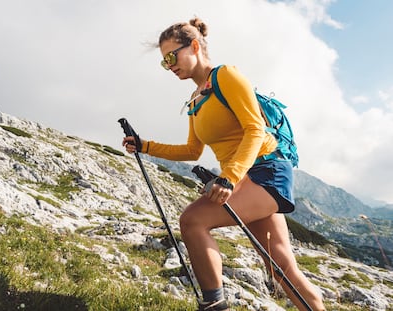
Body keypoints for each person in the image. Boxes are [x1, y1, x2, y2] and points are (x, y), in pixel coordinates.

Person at [123, 18, 326, 311]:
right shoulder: (195, 100)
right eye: (163, 62)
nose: (169, 65)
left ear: (194, 46)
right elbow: (193, 151)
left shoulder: (226, 76)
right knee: (279, 267)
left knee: (193, 220)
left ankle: (214, 307)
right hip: (246, 176)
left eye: (171, 56)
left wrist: (228, 178)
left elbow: (255, 129)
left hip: (266, 170)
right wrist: (145, 146)